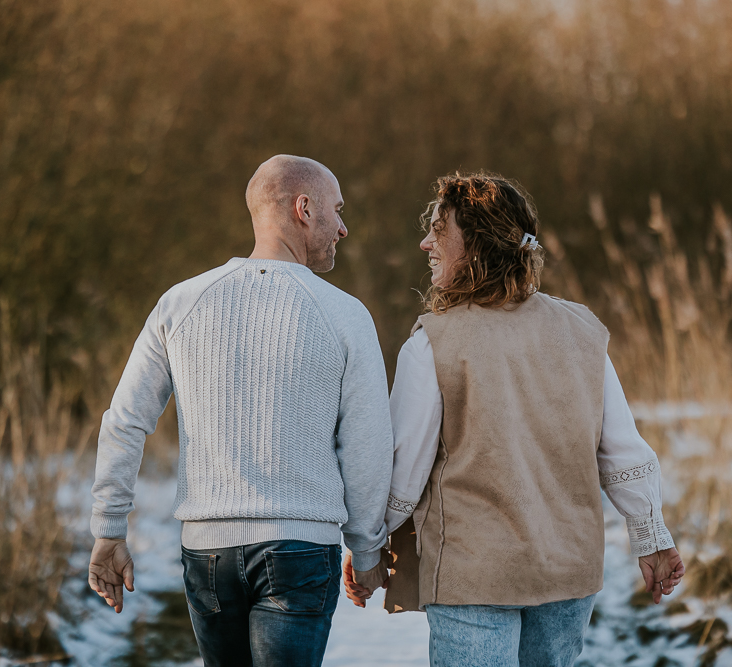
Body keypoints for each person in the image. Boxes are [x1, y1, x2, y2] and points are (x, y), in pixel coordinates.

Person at [344, 172, 686, 667]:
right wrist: (651, 537)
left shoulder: (431, 344)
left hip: (472, 576)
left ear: (477, 245)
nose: (426, 243)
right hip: (568, 572)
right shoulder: (582, 331)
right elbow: (623, 451)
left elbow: (402, 473)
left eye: (440, 231)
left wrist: (370, 549)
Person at [88, 154, 394, 667]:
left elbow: (125, 421)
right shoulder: (345, 315)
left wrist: (108, 528)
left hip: (207, 554)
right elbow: (366, 444)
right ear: (303, 208)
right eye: (336, 211)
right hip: (300, 550)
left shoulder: (180, 304)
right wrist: (366, 554)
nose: (343, 228)